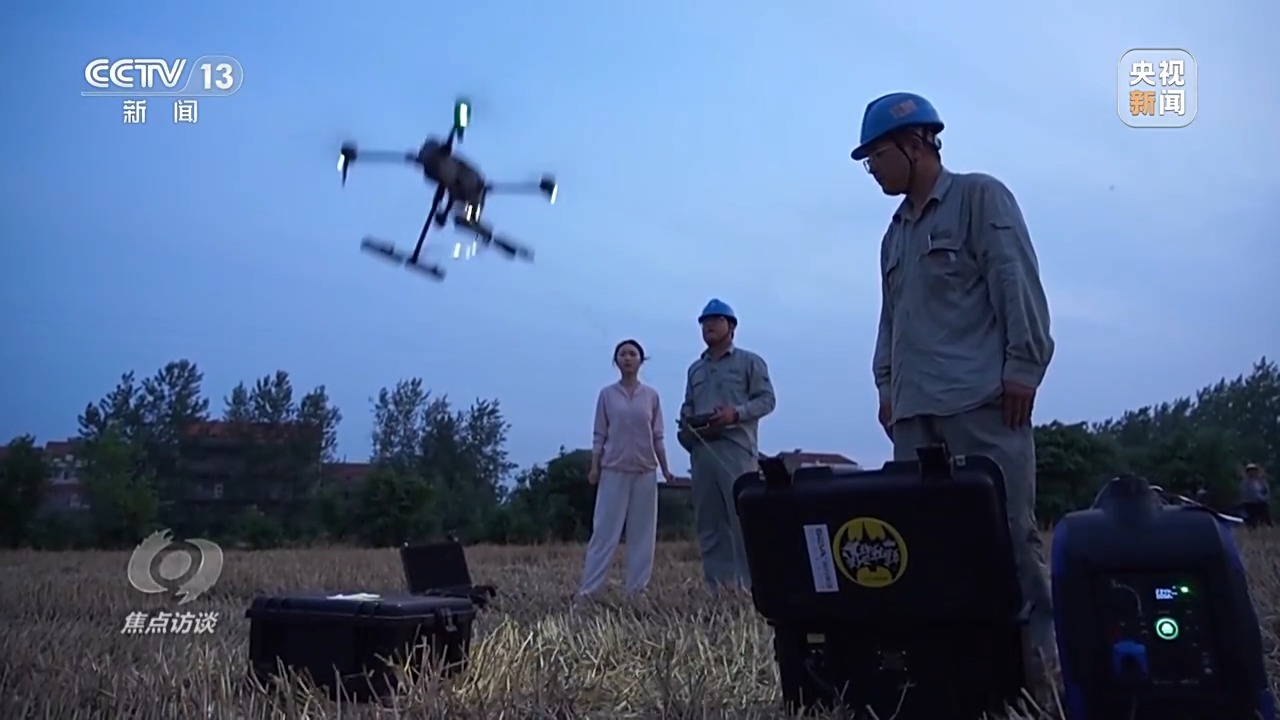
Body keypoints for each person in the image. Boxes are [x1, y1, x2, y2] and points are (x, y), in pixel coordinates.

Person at [853, 93, 1059, 688]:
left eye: (877, 156)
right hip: (914, 416)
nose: (873, 170)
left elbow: (1015, 282)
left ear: (915, 144)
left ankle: (1039, 674)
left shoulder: (979, 199)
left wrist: (1023, 367)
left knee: (1008, 538)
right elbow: (891, 320)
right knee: (925, 551)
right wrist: (887, 386)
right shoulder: (893, 235)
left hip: (981, 406)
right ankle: (958, 677)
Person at [678, 299, 776, 591]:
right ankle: (719, 589)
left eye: (715, 320)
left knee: (743, 519)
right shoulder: (695, 369)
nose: (708, 325)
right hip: (703, 451)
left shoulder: (750, 362)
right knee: (709, 524)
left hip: (736, 449)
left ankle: (753, 588)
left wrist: (736, 413)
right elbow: (688, 404)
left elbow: (767, 400)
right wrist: (688, 422)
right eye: (704, 322)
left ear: (731, 327)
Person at [578, 339, 676, 598]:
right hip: (613, 469)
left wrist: (666, 469)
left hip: (645, 470)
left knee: (642, 535)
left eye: (633, 354)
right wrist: (595, 467)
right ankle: (589, 592)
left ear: (641, 360)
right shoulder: (607, 395)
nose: (628, 358)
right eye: (623, 354)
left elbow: (658, 436)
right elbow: (599, 434)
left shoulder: (651, 396)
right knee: (604, 532)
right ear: (616, 361)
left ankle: (636, 592)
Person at [1239, 463, 1272, 527]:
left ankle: (1268, 527)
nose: (1252, 472)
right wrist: (1255, 497)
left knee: (1266, 516)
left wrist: (1264, 498)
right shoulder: (1245, 482)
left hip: (1262, 502)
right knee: (1252, 518)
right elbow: (1245, 493)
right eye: (1250, 471)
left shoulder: (1262, 481)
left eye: (1254, 471)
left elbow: (1267, 491)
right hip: (1250, 503)